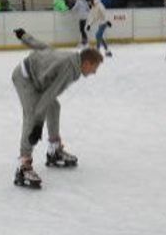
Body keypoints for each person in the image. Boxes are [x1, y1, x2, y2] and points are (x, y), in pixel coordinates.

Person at [11, 28, 104, 189]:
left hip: (38, 77)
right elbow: (48, 95)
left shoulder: (72, 58)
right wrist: (38, 125)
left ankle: (54, 150)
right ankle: (23, 165)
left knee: (54, 107)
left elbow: (45, 48)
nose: (94, 72)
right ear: (87, 63)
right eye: (94, 68)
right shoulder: (70, 69)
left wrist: (25, 37)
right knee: (32, 116)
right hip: (25, 78)